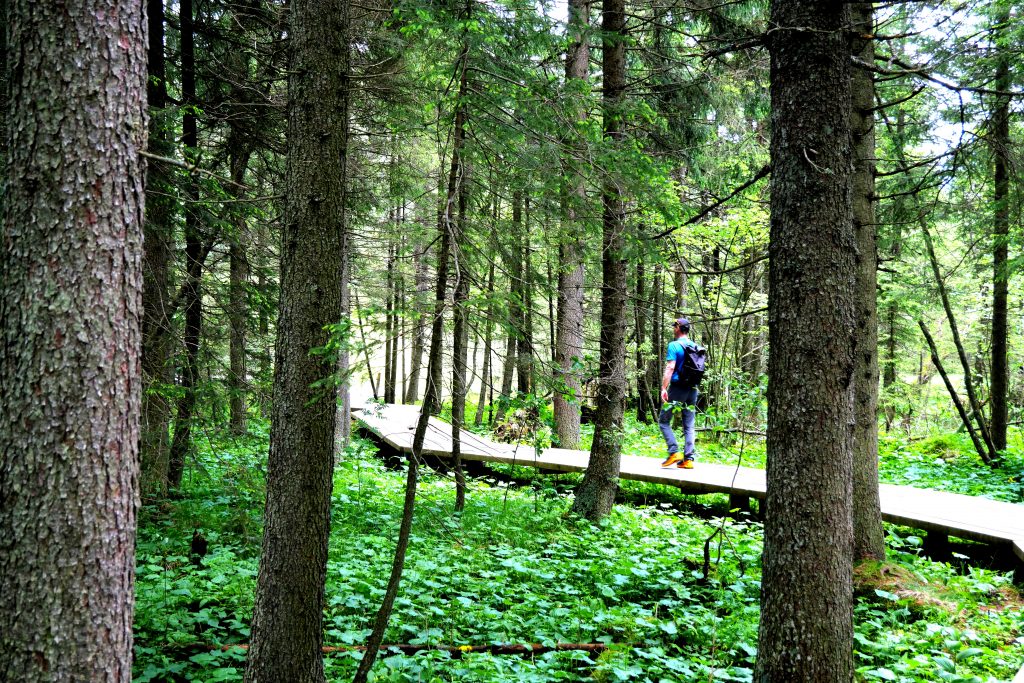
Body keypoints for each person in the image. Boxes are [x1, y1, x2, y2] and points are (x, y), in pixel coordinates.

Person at [659, 317, 698, 469]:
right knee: (689, 425)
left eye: (674, 326)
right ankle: (688, 459)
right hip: (693, 389)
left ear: (678, 328)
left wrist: (664, 388)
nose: (673, 329)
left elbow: (670, 367)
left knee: (664, 420)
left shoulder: (674, 345)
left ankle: (673, 451)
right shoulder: (695, 346)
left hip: (677, 388)